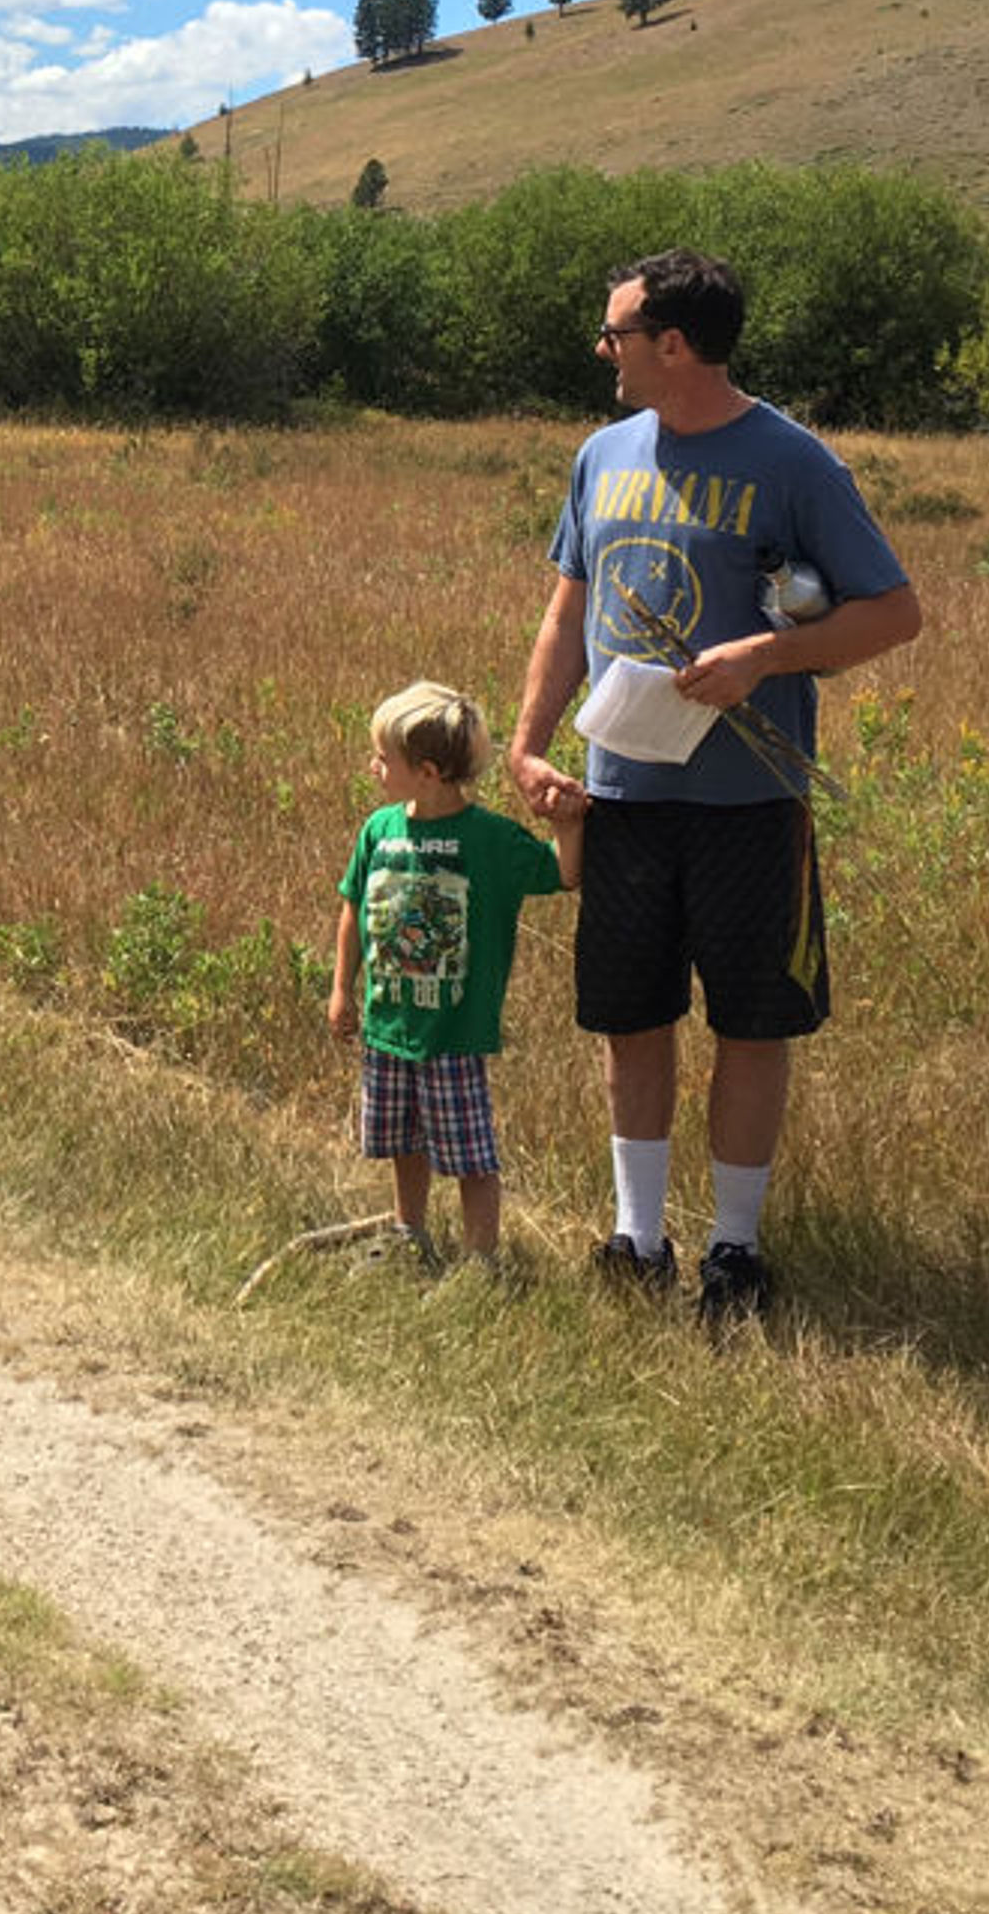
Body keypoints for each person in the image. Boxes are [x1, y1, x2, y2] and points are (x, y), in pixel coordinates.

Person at [502, 247, 923, 1326]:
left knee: (751, 1023)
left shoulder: (795, 465)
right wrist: (530, 745)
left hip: (750, 806)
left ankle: (734, 1254)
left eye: (615, 335)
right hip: (622, 799)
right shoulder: (601, 457)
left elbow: (891, 613)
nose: (604, 351)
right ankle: (636, 1240)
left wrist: (761, 661)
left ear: (672, 345)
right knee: (631, 1019)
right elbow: (567, 614)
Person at [334, 680, 583, 1269]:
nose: (373, 767)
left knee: (470, 1155)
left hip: (455, 1032)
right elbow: (352, 906)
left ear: (426, 771)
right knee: (402, 1141)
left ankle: (481, 1262)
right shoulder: (379, 830)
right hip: (390, 1023)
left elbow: (562, 875)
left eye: (382, 758)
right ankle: (407, 1234)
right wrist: (342, 989)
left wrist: (569, 827)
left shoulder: (490, 840)